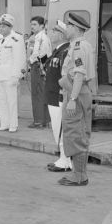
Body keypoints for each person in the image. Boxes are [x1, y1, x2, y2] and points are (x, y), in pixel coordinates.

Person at [57, 13, 95, 186]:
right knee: (77, 132)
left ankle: (79, 176)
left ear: (76, 28)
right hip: (77, 91)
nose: (66, 29)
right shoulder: (81, 45)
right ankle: (78, 173)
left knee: (76, 133)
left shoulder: (78, 46)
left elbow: (79, 74)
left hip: (76, 92)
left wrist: (72, 98)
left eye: (69, 26)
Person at [45, 20, 72, 172]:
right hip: (52, 96)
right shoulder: (57, 51)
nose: (51, 34)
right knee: (57, 129)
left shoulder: (65, 51)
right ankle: (63, 158)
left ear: (61, 34)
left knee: (62, 129)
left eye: (54, 31)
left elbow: (66, 77)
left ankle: (65, 161)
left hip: (59, 96)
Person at [0, 14, 26, 133]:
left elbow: (19, 59)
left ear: (10, 27)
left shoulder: (16, 38)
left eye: (4, 26)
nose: (1, 29)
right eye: (0, 26)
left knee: (11, 101)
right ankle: (4, 123)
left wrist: (16, 76)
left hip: (10, 75)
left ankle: (13, 124)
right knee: (1, 100)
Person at [28, 16, 52, 129]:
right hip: (35, 67)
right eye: (31, 24)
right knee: (37, 94)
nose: (32, 27)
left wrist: (40, 67)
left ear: (42, 26)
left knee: (38, 94)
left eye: (35, 24)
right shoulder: (36, 37)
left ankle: (40, 121)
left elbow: (46, 55)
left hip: (39, 68)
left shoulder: (43, 38)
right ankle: (42, 120)